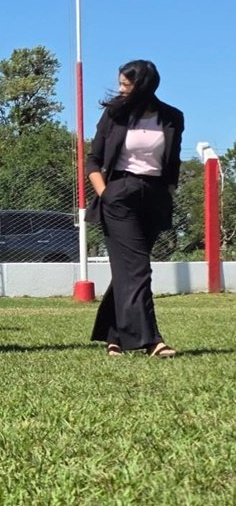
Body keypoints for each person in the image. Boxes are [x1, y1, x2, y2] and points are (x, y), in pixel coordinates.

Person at [85, 60, 183, 357]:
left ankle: (113, 335)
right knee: (138, 269)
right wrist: (106, 193)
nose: (120, 89)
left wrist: (167, 190)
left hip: (154, 197)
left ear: (143, 86)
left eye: (126, 84)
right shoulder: (114, 115)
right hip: (120, 196)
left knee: (128, 271)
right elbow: (93, 160)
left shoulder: (171, 117)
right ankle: (152, 340)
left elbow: (173, 162)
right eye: (120, 84)